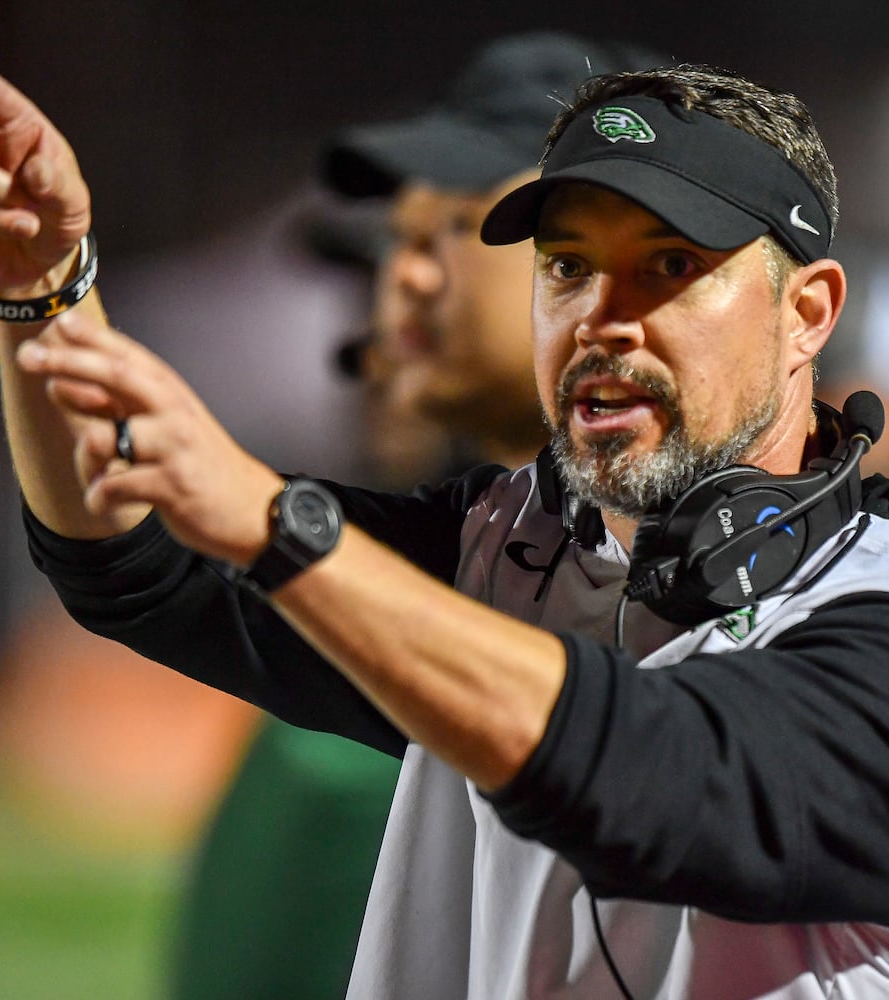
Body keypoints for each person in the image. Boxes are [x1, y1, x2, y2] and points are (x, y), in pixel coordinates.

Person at [0, 47, 889, 1000]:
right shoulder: (507, 542)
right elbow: (133, 560)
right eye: (567, 266)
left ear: (807, 313)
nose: (602, 315)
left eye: (669, 267)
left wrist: (285, 530)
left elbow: (654, 773)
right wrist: (41, 298)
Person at [171, 32, 667, 999]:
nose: (382, 314)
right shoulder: (466, 555)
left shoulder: (749, 592)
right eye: (390, 247)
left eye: (447, 233)